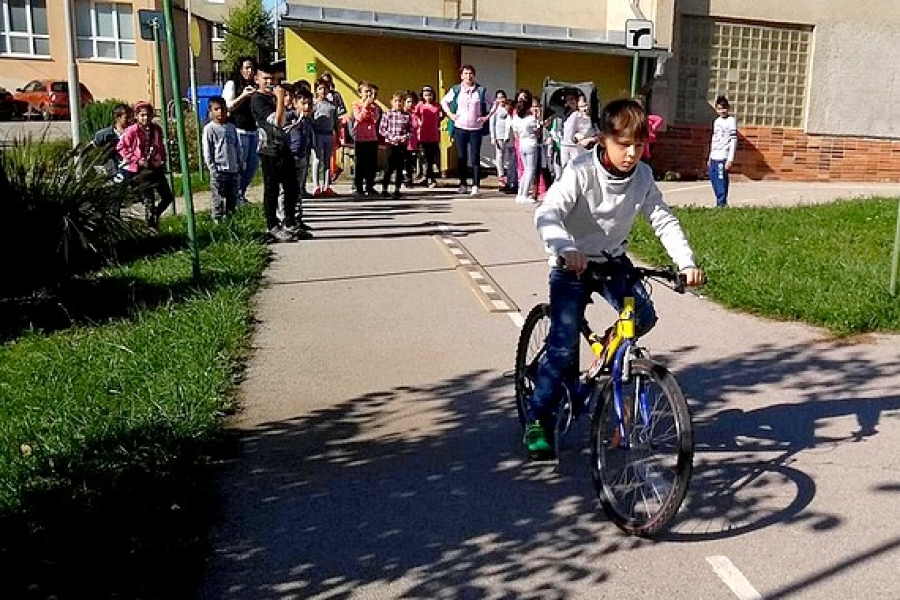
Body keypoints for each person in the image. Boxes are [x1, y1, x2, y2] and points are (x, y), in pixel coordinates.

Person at [525, 98, 704, 459]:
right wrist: (565, 247)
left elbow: (662, 219)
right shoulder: (580, 171)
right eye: (623, 144)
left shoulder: (643, 176)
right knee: (562, 346)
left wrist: (686, 262)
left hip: (611, 260)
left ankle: (605, 357)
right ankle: (539, 417)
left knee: (643, 316)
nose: (631, 153)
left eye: (638, 144)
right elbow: (548, 212)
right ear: (603, 139)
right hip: (571, 262)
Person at [250, 63, 308, 242]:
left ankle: (290, 222)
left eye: (273, 79)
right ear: (257, 79)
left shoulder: (274, 97)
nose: (270, 82)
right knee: (272, 189)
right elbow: (278, 121)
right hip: (269, 150)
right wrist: (281, 99)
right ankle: (272, 226)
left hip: (284, 148)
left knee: (291, 187)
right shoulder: (258, 100)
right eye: (266, 79)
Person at [116, 101, 175, 229]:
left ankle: (155, 214)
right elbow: (121, 147)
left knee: (167, 197)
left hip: (155, 168)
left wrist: (162, 159)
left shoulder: (156, 129)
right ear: (136, 116)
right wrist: (136, 159)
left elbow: (160, 146)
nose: (145, 118)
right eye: (142, 115)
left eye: (148, 115)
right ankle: (151, 227)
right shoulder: (132, 130)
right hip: (141, 170)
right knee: (149, 200)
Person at [441, 64, 493, 196]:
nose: (468, 76)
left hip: (476, 128)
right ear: (461, 76)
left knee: (475, 157)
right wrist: (451, 115)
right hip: (460, 127)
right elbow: (444, 102)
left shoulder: (480, 90)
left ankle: (475, 185)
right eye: (465, 73)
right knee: (461, 157)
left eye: (470, 73)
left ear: (474, 75)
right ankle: (463, 184)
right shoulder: (456, 89)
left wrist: (486, 117)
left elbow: (494, 103)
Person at [221, 56, 259, 205]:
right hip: (238, 129)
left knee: (252, 165)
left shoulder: (255, 85)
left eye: (252, 68)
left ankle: (240, 193)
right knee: (239, 165)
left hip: (253, 130)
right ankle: (234, 196)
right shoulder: (233, 84)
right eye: (247, 68)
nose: (249, 71)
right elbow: (227, 107)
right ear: (240, 69)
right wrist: (243, 96)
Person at [202, 96, 242, 222]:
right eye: (216, 109)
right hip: (219, 170)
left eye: (223, 109)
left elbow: (237, 146)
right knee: (218, 198)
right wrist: (212, 167)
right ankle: (217, 221)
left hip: (233, 169)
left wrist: (240, 162)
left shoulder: (231, 127)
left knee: (232, 197)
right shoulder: (209, 129)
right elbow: (207, 150)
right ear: (211, 111)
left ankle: (231, 220)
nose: (220, 112)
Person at [284, 87, 315, 234]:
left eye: (309, 104)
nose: (307, 107)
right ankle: (286, 220)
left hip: (302, 157)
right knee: (287, 191)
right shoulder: (289, 117)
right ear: (295, 103)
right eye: (303, 103)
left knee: (298, 191)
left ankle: (298, 218)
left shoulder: (308, 120)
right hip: (290, 157)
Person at [379, 91, 413, 199]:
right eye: (396, 101)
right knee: (389, 167)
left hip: (402, 145)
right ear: (392, 102)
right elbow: (382, 129)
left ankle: (397, 189)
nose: (398, 103)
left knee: (400, 167)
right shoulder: (387, 114)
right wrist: (391, 137)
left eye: (400, 101)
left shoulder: (406, 116)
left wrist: (405, 137)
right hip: (391, 144)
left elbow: (411, 130)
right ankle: (384, 189)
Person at [352, 81, 381, 197]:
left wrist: (370, 107)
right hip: (360, 138)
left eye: (370, 92)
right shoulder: (356, 105)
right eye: (366, 91)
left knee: (371, 164)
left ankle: (370, 186)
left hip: (372, 138)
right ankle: (358, 186)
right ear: (360, 93)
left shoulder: (375, 107)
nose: (368, 94)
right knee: (360, 163)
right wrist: (365, 107)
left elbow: (375, 119)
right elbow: (359, 117)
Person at [510, 89, 539, 204]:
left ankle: (520, 194)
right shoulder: (531, 119)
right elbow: (538, 132)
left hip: (521, 143)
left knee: (526, 170)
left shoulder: (515, 119)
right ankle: (525, 194)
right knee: (530, 170)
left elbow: (516, 134)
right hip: (531, 143)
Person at [708, 95, 737, 207]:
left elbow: (733, 140)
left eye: (724, 108)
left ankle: (722, 203)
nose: (722, 111)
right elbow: (714, 139)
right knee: (714, 179)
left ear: (728, 108)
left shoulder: (731, 121)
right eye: (719, 108)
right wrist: (710, 156)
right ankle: (718, 201)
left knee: (721, 180)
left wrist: (730, 159)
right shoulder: (716, 121)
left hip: (723, 156)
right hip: (714, 155)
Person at [311, 78, 338, 197]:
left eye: (325, 88)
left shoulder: (332, 106)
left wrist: (337, 135)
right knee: (317, 160)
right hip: (317, 134)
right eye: (320, 88)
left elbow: (335, 122)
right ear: (316, 90)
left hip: (329, 134)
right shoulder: (314, 105)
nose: (323, 91)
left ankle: (327, 185)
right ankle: (316, 186)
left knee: (327, 160)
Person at [91, 103, 133, 179]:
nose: (130, 120)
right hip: (112, 173)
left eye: (131, 117)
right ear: (117, 118)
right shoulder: (104, 135)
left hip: (130, 172)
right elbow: (91, 148)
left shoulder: (134, 133)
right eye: (127, 117)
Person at [414, 85, 444, 188]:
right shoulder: (420, 105)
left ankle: (431, 177)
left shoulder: (437, 106)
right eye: (426, 95)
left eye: (430, 95)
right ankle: (425, 177)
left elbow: (442, 114)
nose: (428, 97)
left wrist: (438, 122)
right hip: (423, 134)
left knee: (432, 158)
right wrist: (419, 123)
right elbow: (415, 115)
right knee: (424, 158)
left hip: (433, 135)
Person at [489, 90, 511, 188]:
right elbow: (492, 124)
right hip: (499, 136)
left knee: (510, 156)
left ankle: (511, 175)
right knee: (500, 156)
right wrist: (493, 137)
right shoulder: (495, 109)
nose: (501, 99)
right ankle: (501, 176)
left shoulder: (508, 108)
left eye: (502, 97)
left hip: (509, 135)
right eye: (498, 98)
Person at [402, 90, 420, 187]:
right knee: (404, 161)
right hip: (403, 141)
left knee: (410, 161)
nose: (410, 104)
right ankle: (405, 178)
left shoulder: (415, 114)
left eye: (412, 102)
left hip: (413, 141)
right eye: (408, 102)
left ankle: (409, 178)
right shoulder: (401, 114)